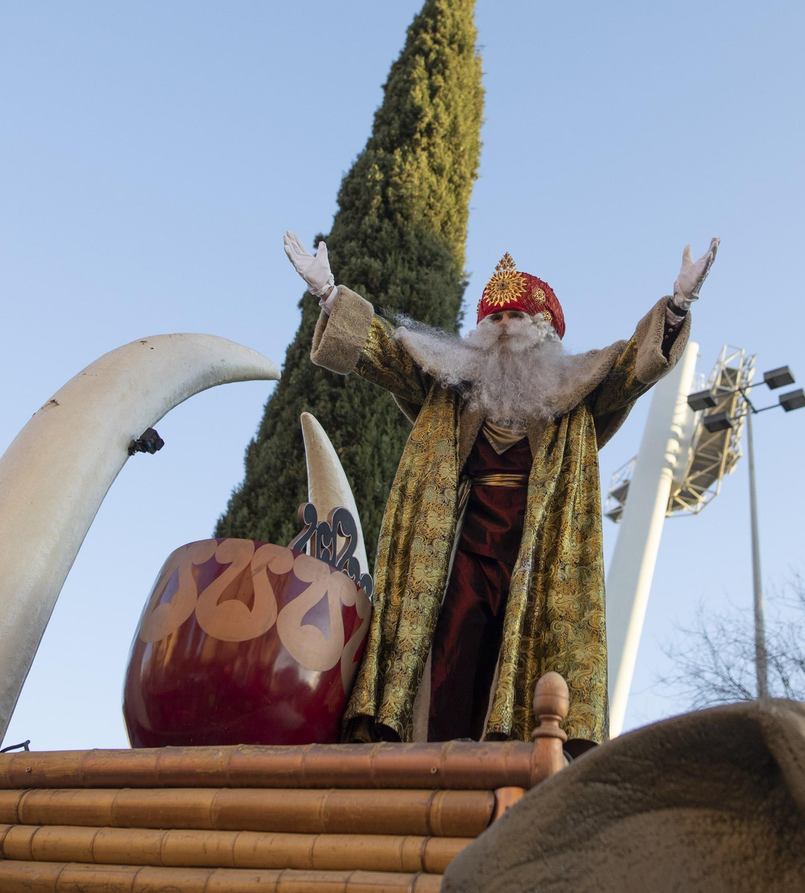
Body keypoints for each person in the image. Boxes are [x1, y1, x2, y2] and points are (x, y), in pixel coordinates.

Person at [283, 232, 718, 752]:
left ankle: (507, 763)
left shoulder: (578, 388)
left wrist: (677, 305)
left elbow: (634, 368)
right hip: (457, 543)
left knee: (519, 655)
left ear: (545, 330)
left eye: (517, 317)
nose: (504, 327)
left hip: (538, 545)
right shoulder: (450, 385)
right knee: (448, 652)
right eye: (494, 318)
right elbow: (382, 352)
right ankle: (428, 759)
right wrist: (329, 293)